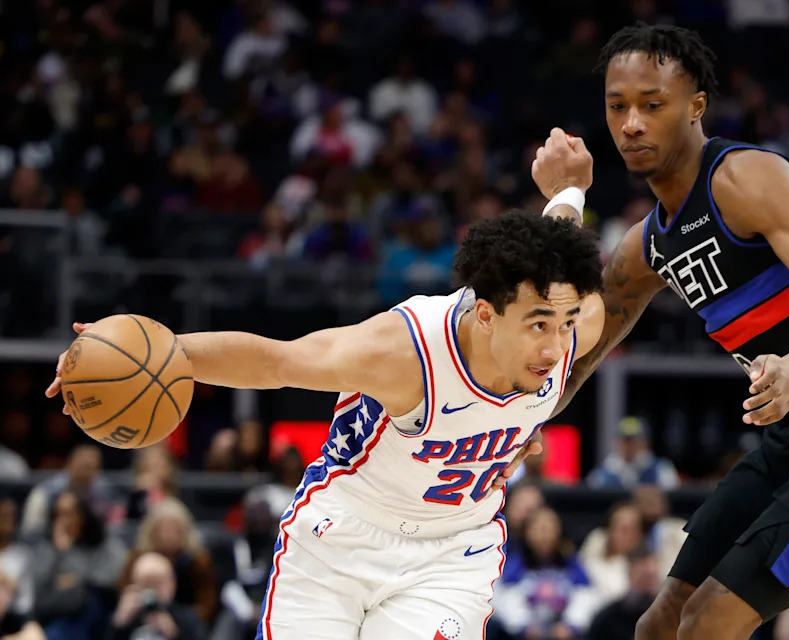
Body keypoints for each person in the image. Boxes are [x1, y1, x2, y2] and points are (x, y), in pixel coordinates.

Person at [501, 22, 789, 640]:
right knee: (659, 624)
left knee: (709, 624)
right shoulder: (644, 246)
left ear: (696, 107)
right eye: (617, 106)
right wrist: (521, 423)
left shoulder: (745, 179)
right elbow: (577, 345)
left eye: (652, 105)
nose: (631, 123)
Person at [47, 207, 605, 640]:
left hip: (451, 553)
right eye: (539, 326)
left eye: (566, 324)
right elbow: (276, 361)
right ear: (487, 315)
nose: (558, 347)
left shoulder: (567, 322)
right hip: (340, 538)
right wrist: (146, 357)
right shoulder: (401, 354)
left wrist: (570, 191)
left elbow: (560, 265)